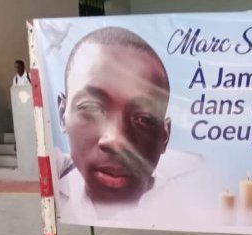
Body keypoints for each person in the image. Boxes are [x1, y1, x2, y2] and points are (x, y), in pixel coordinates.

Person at [56, 26, 174, 222]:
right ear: (62, 115)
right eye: (92, 108)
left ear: (165, 137)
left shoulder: (186, 203)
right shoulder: (55, 186)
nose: (117, 141)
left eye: (144, 119)